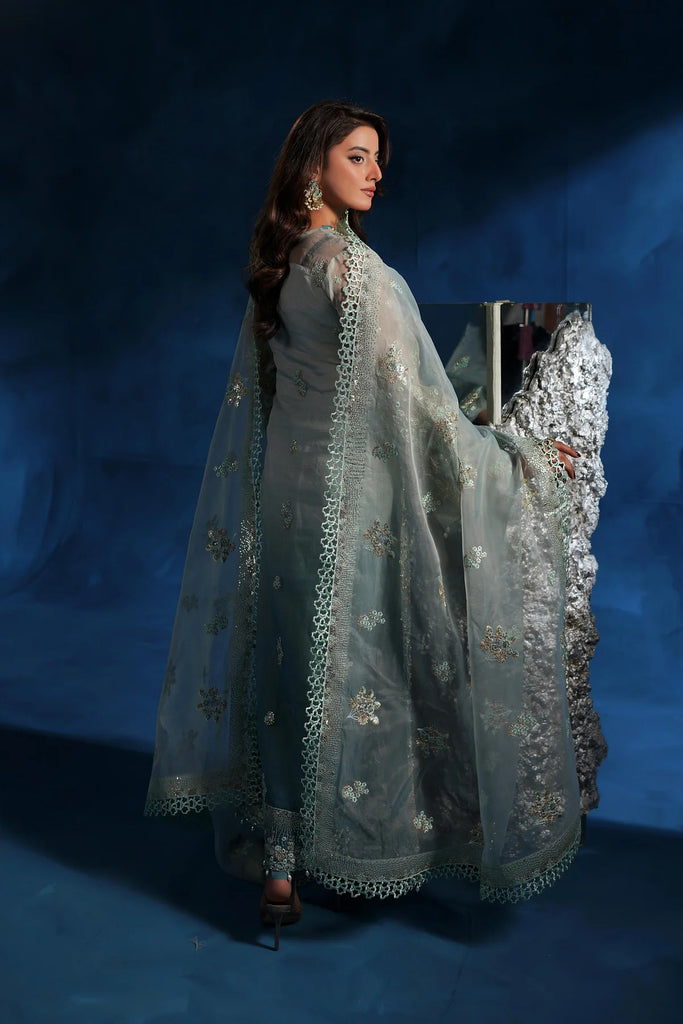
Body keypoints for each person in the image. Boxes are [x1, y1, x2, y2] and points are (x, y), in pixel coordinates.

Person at [145, 100, 581, 949]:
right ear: (314, 165)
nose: (376, 172)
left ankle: (279, 862)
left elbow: (278, 398)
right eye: (358, 155)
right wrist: (516, 457)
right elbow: (422, 414)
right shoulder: (359, 274)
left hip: (284, 498)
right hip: (349, 513)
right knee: (357, 668)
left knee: (287, 666)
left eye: (378, 157)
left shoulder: (282, 263)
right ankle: (357, 837)